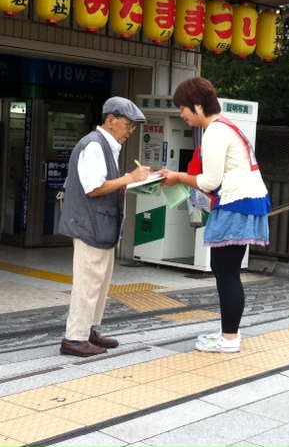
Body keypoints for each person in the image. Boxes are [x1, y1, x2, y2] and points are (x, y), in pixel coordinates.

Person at [160, 77, 270, 353]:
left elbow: (209, 181)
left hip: (237, 204)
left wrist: (177, 177)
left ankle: (229, 339)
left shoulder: (215, 132)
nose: (182, 115)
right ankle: (229, 333)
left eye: (183, 108)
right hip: (246, 203)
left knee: (227, 273)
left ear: (198, 105)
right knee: (226, 271)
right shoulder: (226, 126)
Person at [59, 97, 150, 357]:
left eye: (133, 127)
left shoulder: (106, 145)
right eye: (128, 125)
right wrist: (129, 178)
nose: (131, 131)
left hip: (101, 226)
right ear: (111, 121)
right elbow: (94, 188)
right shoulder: (94, 145)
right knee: (87, 283)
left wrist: (130, 183)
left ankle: (88, 330)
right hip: (90, 225)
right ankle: (74, 338)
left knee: (98, 282)